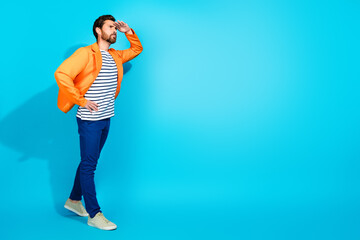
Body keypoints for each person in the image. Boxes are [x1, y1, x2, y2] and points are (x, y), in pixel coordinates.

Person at [54, 15, 143, 230]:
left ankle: (74, 201)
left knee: (88, 161)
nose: (114, 31)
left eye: (115, 27)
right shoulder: (85, 53)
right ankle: (94, 214)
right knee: (89, 165)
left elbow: (136, 50)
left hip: (106, 118)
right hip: (90, 121)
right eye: (110, 27)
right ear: (97, 30)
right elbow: (61, 74)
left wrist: (128, 32)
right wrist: (81, 100)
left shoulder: (114, 56)